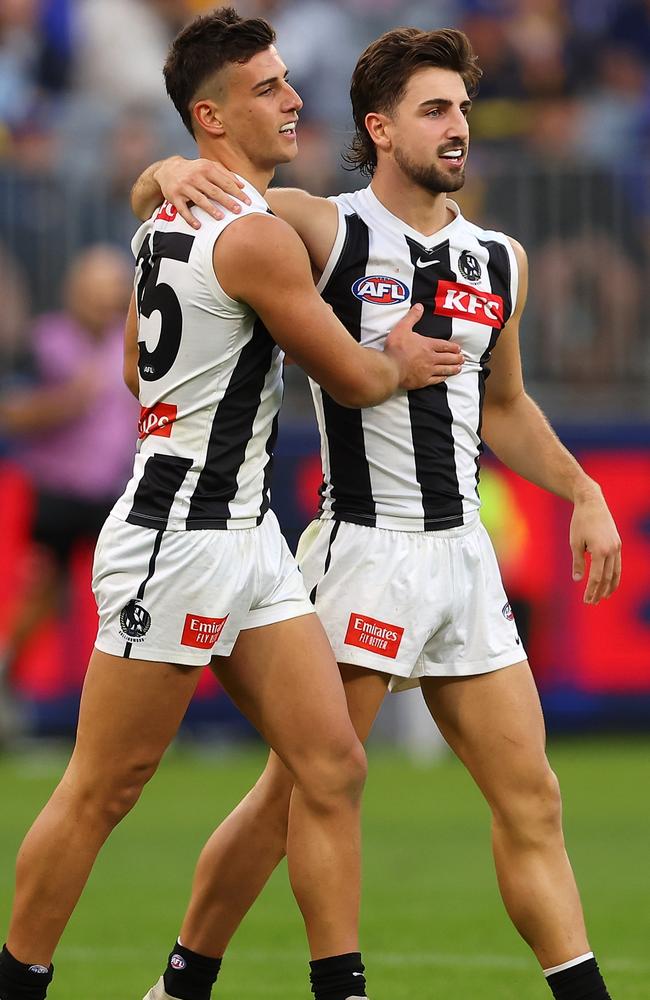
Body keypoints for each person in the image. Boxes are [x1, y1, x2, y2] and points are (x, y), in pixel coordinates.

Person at [131, 23, 622, 1000]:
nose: (457, 130)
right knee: (292, 795)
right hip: (362, 553)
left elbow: (503, 406)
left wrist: (581, 489)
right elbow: (177, 199)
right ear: (379, 129)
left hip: (462, 562)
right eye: (433, 110)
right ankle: (181, 984)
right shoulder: (326, 228)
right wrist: (163, 169)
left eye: (464, 111)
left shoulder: (497, 259)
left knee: (532, 800)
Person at [0, 11, 458, 1000]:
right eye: (266, 88)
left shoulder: (176, 215)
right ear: (211, 116)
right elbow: (349, 380)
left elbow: (132, 368)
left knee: (330, 763)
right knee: (101, 788)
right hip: (178, 537)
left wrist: (160, 177)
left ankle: (289, 988)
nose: (293, 98)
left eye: (287, 81)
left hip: (243, 534)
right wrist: (404, 359)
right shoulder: (250, 235)